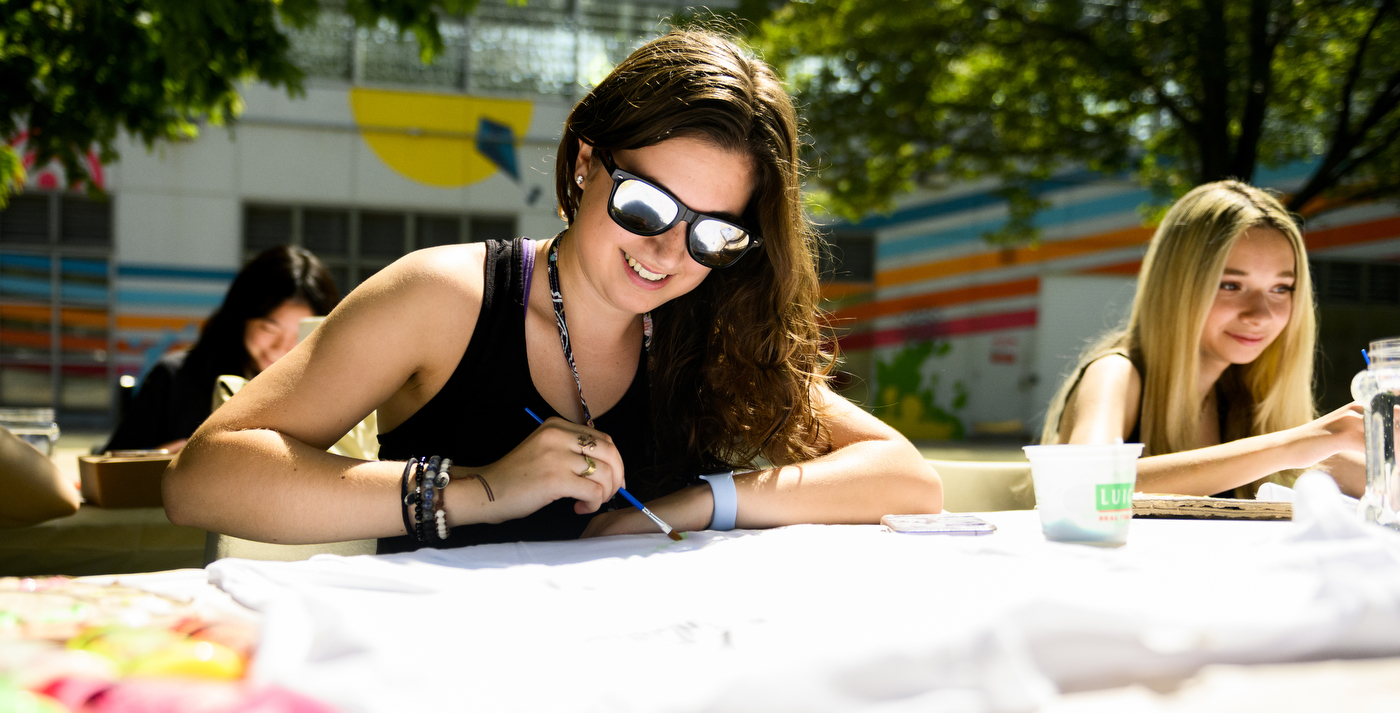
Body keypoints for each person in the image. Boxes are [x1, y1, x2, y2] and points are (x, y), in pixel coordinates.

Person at [163, 29, 943, 550]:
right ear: (583, 164)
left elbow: (908, 478)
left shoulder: (709, 324)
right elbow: (204, 480)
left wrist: (695, 505)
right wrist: (481, 490)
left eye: (713, 235)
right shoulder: (445, 296)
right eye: (646, 205)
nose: (669, 253)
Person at [1042, 180, 1364, 497]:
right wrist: (1295, 444)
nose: (1260, 314)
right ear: (1177, 287)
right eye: (1230, 285)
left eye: (1281, 289)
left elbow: (1372, 481)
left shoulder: (1245, 395)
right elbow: (1084, 483)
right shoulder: (1116, 372)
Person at [104, 246, 339, 453]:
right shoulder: (176, 378)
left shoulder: (331, 391)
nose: (282, 348)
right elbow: (105, 470)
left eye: (301, 334)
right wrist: (158, 460)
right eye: (268, 328)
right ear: (239, 318)